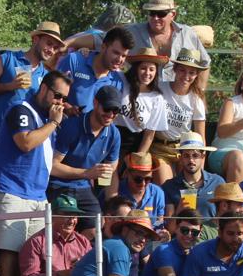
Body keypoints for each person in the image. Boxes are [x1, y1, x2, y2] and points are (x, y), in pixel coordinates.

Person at [0, 69, 70, 276]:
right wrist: (54, 122)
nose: (60, 102)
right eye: (57, 95)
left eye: (64, 98)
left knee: (34, 251)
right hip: (11, 189)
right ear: (43, 88)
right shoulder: (20, 109)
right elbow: (25, 142)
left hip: (37, 194)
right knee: (9, 250)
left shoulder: (46, 119)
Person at [0, 22, 65, 159]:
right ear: (35, 39)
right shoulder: (7, 59)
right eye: (49, 44)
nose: (51, 50)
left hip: (28, 137)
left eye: (55, 47)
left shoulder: (45, 75)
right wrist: (9, 86)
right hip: (1, 133)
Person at [63, 213, 158, 276]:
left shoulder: (116, 245)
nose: (143, 240)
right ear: (125, 230)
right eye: (139, 233)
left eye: (146, 237)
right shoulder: (119, 248)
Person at [49, 84, 123, 214]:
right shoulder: (71, 127)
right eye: (107, 108)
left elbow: (112, 167)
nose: (111, 114)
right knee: (64, 220)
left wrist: (103, 172)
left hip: (84, 187)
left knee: (96, 226)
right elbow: (52, 166)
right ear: (95, 103)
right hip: (59, 185)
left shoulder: (114, 134)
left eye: (116, 110)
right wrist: (87, 173)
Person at [126, 0, 211, 79]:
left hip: (177, 92)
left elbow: (205, 63)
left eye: (161, 14)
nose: (155, 18)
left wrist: (200, 90)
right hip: (141, 92)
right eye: (152, 13)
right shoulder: (132, 32)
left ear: (173, 14)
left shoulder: (187, 34)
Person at [20, 198, 93, 276]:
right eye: (66, 215)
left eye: (74, 216)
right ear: (51, 216)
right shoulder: (36, 242)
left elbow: (93, 272)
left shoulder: (83, 242)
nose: (71, 221)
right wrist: (59, 275)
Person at [116, 47, 169, 171]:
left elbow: (150, 133)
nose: (147, 73)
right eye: (143, 68)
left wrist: (139, 157)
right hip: (114, 135)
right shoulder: (122, 81)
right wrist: (86, 52)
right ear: (136, 69)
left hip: (136, 141)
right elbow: (105, 65)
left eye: (152, 69)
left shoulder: (157, 97)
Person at [58, 26, 131, 115]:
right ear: (103, 47)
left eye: (124, 56)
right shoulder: (74, 61)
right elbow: (52, 94)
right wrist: (67, 108)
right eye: (116, 53)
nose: (119, 59)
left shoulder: (117, 82)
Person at [154, 49, 208, 167]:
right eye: (182, 70)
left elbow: (201, 135)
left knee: (185, 183)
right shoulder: (160, 88)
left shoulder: (196, 99)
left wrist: (201, 168)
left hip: (184, 149)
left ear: (196, 74)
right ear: (175, 69)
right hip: (160, 146)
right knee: (166, 182)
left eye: (191, 72)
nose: (186, 76)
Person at [137, 207, 203, 276]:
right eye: (184, 230)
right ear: (176, 229)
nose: (189, 235)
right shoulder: (164, 251)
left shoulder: (197, 251)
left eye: (194, 232)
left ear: (200, 233)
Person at [161, 132, 224, 220]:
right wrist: (178, 212)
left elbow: (225, 219)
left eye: (195, 155)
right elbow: (169, 228)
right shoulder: (169, 186)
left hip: (211, 233)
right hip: (183, 233)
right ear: (180, 158)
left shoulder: (217, 182)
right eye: (186, 156)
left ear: (203, 157)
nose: (191, 160)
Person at [116, 152, 167, 231]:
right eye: (138, 179)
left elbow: (159, 221)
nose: (143, 184)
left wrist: (160, 232)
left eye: (148, 179)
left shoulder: (158, 192)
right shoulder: (115, 190)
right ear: (128, 174)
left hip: (149, 238)